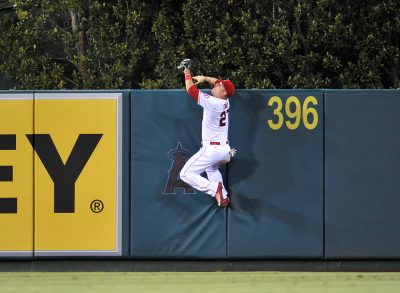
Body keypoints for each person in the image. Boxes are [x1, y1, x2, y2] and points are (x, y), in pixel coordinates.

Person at [179, 66, 235, 208]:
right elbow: (217, 82)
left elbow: (191, 90)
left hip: (212, 149)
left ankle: (214, 188)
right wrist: (204, 78)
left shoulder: (213, 103)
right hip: (224, 150)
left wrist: (187, 73)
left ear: (222, 93)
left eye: (219, 86)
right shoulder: (226, 101)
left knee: (185, 174)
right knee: (211, 169)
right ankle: (224, 197)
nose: (215, 85)